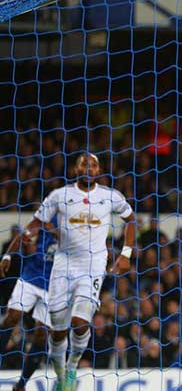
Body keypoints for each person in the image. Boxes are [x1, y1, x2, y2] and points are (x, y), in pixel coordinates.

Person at [33, 153, 136, 391]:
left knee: (80, 322)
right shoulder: (61, 195)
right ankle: (60, 375)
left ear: (99, 170)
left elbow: (130, 219)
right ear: (75, 169)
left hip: (93, 265)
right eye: (84, 164)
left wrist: (126, 253)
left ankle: (72, 367)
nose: (89, 168)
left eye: (94, 165)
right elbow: (38, 221)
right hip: (62, 265)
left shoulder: (110, 196)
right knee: (57, 331)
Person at [0, 218, 57, 391]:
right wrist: (8, 255)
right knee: (12, 318)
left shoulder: (79, 223)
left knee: (42, 334)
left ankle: (21, 384)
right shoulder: (49, 215)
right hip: (32, 276)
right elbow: (23, 235)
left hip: (56, 285)